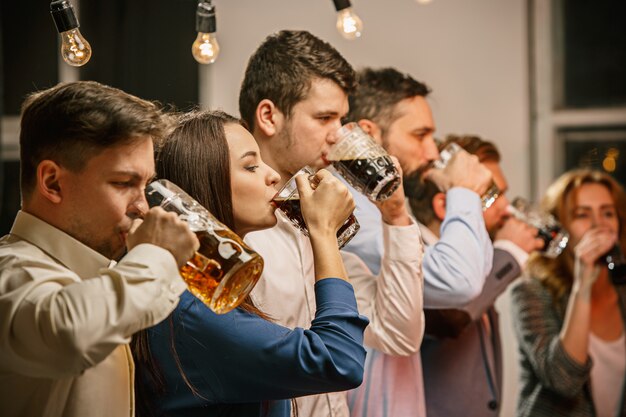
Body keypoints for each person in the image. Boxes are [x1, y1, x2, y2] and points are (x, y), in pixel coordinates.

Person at [133, 110, 368, 417]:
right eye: (251, 166)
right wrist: (323, 232)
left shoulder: (214, 283)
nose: (271, 175)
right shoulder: (189, 307)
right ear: (205, 181)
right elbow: (340, 360)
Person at [239, 31, 425, 417]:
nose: (339, 133)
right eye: (324, 117)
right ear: (269, 116)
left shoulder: (320, 210)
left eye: (342, 119)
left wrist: (395, 214)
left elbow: (398, 334)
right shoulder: (238, 224)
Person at [0, 81, 200, 417]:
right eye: (123, 183)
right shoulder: (10, 271)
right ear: (52, 182)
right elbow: (69, 333)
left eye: (145, 185)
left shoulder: (106, 276)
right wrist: (156, 254)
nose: (142, 207)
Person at [342, 67, 494, 417]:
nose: (431, 152)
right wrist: (462, 192)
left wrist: (467, 197)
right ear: (369, 134)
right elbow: (459, 282)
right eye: (420, 135)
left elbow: (477, 267)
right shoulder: (355, 215)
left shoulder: (393, 209)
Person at [409, 135, 544, 417]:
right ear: (445, 206)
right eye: (491, 195)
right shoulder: (414, 258)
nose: (506, 209)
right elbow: (450, 317)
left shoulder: (481, 259)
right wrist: (509, 253)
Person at [511, 169, 626, 417]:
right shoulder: (530, 291)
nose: (599, 224)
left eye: (608, 213)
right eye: (582, 215)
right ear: (561, 227)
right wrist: (582, 287)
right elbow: (564, 381)